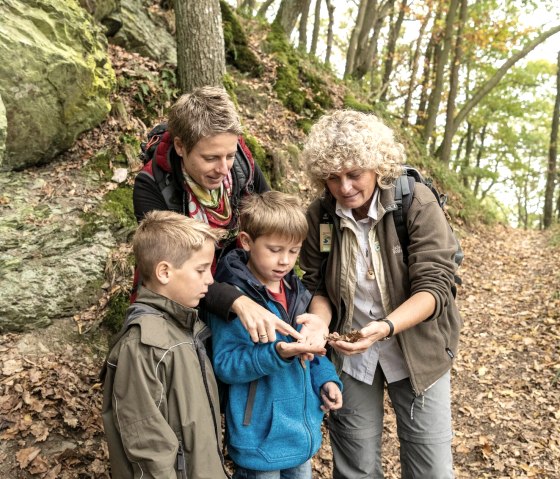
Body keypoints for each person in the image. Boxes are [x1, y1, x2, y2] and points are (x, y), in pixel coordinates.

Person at [299, 110, 463, 479]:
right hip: (352, 357)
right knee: (355, 467)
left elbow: (436, 289)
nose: (344, 188)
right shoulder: (320, 217)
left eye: (354, 174)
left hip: (418, 349)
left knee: (430, 469)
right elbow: (317, 285)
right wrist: (319, 326)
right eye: (333, 177)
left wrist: (383, 328)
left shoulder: (415, 202)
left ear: (376, 166)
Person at [133, 86, 325, 349]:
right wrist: (236, 300)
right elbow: (175, 270)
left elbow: (272, 229)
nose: (223, 169)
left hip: (241, 279)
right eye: (210, 158)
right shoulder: (153, 185)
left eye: (229, 155)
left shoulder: (243, 166)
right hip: (183, 295)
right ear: (180, 146)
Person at [207, 191, 343, 479]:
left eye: (293, 251)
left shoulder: (295, 292)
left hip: (300, 436)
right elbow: (226, 365)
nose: (285, 261)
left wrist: (326, 379)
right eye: (274, 250)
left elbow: (311, 349)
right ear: (246, 242)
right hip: (259, 440)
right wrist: (277, 353)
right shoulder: (236, 300)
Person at [101, 210, 229, 478]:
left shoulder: (185, 328)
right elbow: (147, 448)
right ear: (164, 272)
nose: (210, 280)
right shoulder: (144, 345)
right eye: (201, 269)